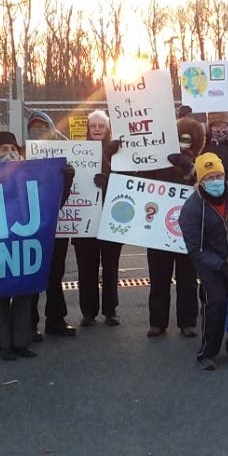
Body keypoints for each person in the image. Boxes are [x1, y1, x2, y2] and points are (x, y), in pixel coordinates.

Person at [179, 153, 228, 370]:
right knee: (216, 303)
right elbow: (195, 249)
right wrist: (220, 266)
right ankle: (207, 352)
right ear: (200, 181)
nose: (215, 182)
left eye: (219, 176)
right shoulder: (191, 209)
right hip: (211, 262)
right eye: (209, 178)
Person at [142, 116, 203, 337]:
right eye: (180, 138)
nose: (184, 142)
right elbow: (142, 181)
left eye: (188, 138)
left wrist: (189, 170)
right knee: (158, 276)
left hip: (188, 228)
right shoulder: (159, 159)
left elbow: (207, 188)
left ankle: (188, 321)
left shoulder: (202, 159)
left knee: (188, 277)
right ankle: (157, 321)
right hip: (158, 226)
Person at [0, 131, 39, 361]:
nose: (9, 153)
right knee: (1, 293)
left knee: (24, 291)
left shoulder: (28, 172)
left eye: (13, 149)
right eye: (3, 150)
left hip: (23, 237)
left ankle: (21, 341)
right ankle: (3, 344)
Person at [26, 110, 75, 340]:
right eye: (34, 128)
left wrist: (68, 178)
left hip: (57, 226)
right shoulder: (22, 157)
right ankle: (30, 323)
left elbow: (61, 200)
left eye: (43, 127)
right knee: (32, 275)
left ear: (51, 130)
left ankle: (56, 319)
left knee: (56, 274)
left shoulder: (62, 158)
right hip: (30, 227)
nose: (38, 131)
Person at [73, 109, 124, 326]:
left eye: (101, 126)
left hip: (112, 217)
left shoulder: (120, 153)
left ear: (108, 129)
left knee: (111, 266)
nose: (96, 129)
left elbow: (129, 183)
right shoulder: (77, 152)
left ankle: (110, 310)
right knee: (86, 267)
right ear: (87, 129)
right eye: (93, 126)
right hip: (84, 219)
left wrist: (109, 181)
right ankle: (88, 312)